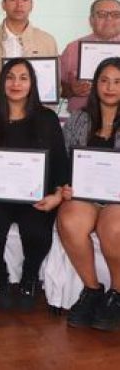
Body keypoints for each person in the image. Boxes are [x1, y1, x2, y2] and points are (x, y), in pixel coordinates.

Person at [0, 58, 68, 310]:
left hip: (35, 197)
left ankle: (29, 276)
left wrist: (57, 195)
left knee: (37, 233)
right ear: (2, 82)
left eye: (23, 78)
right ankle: (0, 277)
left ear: (32, 84)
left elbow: (59, 161)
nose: (16, 83)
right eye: (10, 77)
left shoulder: (47, 119)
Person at [58, 57, 120, 331]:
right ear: (95, 85)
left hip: (118, 199)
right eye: (104, 80)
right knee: (70, 221)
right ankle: (92, 289)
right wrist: (66, 186)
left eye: (118, 82)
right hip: (85, 195)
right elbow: (63, 161)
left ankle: (117, 294)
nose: (110, 87)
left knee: (114, 229)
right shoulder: (78, 119)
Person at [60, 0, 120, 112]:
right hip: (81, 120)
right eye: (102, 15)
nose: (108, 19)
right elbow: (57, 88)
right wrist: (72, 89)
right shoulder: (72, 48)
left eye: (115, 15)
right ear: (91, 20)